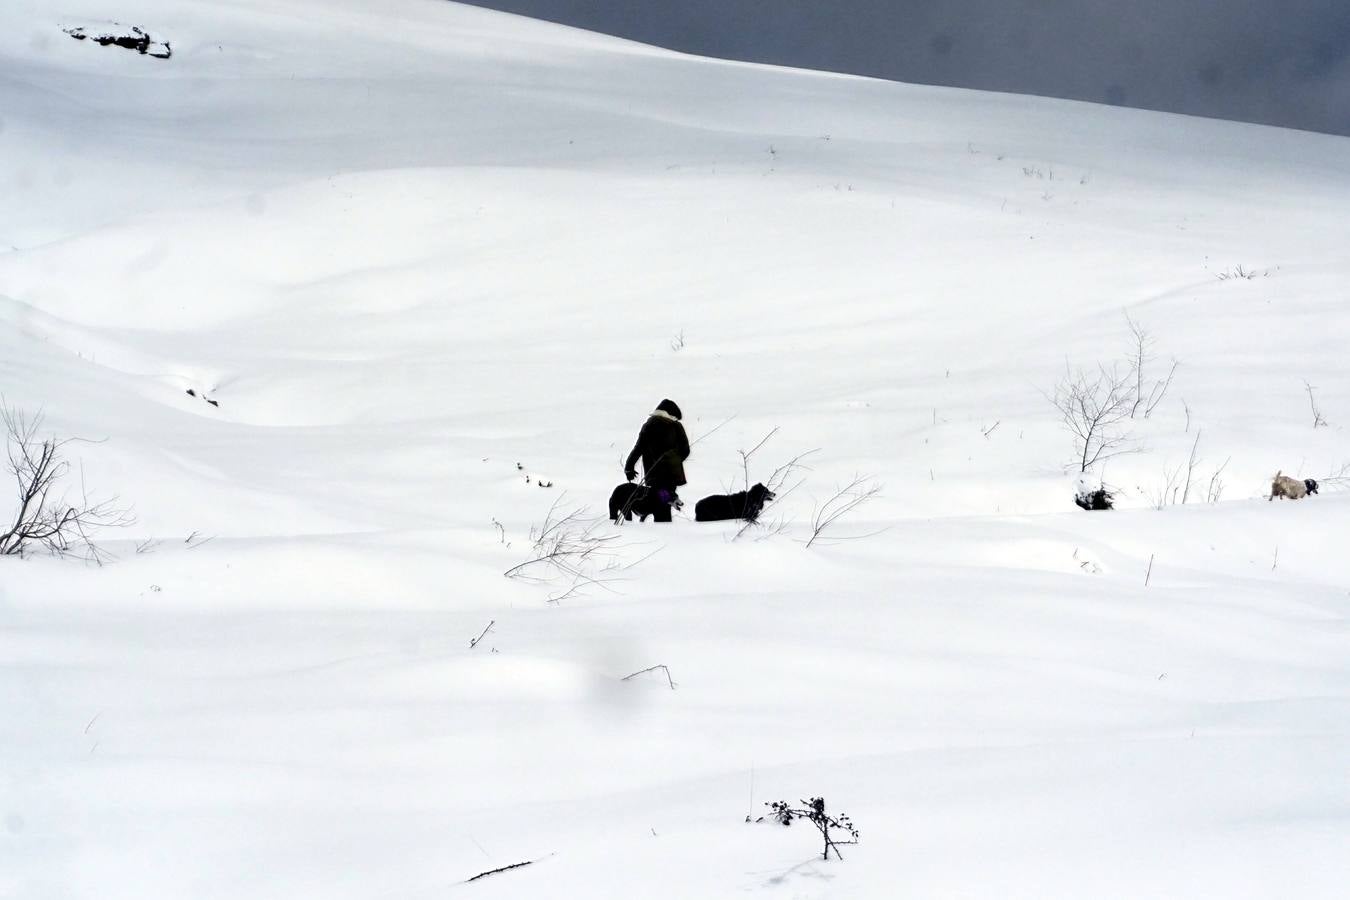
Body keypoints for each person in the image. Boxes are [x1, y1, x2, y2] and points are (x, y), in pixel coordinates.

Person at [624, 399, 690, 522]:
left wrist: (629, 467)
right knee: (664, 501)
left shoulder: (649, 426)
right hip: (672, 474)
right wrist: (673, 460)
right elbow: (685, 451)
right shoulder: (676, 426)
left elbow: (638, 449)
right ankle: (662, 525)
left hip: (654, 474)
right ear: (671, 414)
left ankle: (654, 519)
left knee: (660, 499)